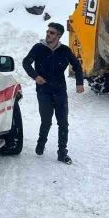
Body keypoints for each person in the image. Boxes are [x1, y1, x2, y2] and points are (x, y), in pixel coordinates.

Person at [22, 22, 85, 165]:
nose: (48, 34)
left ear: (59, 36)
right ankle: (41, 143)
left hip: (60, 91)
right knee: (46, 121)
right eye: (48, 32)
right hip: (44, 91)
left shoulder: (65, 50)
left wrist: (79, 82)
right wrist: (35, 76)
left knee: (63, 123)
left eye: (52, 33)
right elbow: (26, 62)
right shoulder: (39, 48)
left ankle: (62, 153)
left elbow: (77, 66)